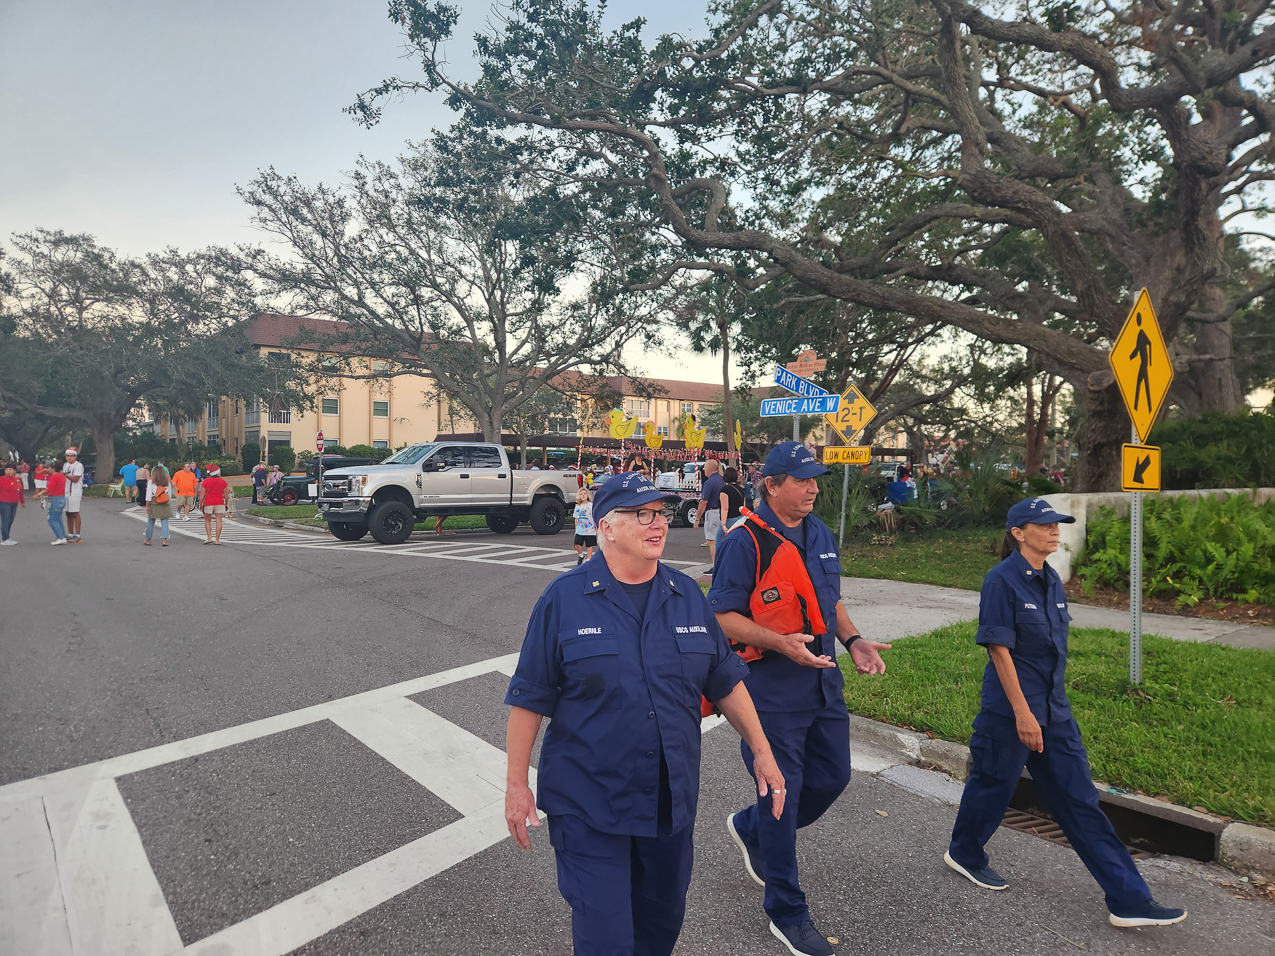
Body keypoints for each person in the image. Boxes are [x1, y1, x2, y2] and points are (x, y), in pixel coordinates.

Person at [504, 472, 786, 956]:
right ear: (606, 527)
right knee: (607, 940)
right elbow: (531, 697)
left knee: (660, 926)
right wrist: (515, 784)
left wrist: (762, 751)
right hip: (589, 804)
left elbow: (725, 681)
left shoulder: (687, 597)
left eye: (658, 513)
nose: (657, 524)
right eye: (641, 514)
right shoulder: (564, 600)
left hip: (668, 805)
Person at [945, 498, 1187, 929]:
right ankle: (964, 851)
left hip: (1054, 713)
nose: (1055, 531)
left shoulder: (1051, 579)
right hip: (1010, 713)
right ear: (1019, 532)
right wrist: (1022, 713)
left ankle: (1129, 899)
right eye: (1045, 525)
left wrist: (1047, 712)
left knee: (1080, 802)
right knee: (992, 788)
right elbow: (1000, 651)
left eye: (1058, 525)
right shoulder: (1001, 581)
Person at [708, 442, 891, 956]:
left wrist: (854, 641)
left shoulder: (819, 532)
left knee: (833, 778)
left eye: (816, 479)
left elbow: (828, 602)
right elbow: (722, 618)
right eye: (802, 480)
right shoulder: (745, 541)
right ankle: (786, 911)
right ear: (772, 484)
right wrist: (779, 642)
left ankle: (751, 826)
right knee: (782, 798)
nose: (813, 488)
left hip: (823, 683)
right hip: (768, 693)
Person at [695, 459, 725, 559]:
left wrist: (697, 518)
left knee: (712, 540)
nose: (704, 470)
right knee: (722, 540)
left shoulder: (709, 483)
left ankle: (715, 565)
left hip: (712, 512)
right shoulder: (724, 480)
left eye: (705, 467)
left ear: (710, 469)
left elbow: (703, 502)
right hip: (724, 511)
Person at [715, 465, 747, 555]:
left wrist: (723, 524)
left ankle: (719, 562)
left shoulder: (725, 490)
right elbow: (743, 505)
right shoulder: (741, 489)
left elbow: (725, 508)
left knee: (718, 543)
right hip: (740, 518)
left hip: (729, 519)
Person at [197, 464, 231, 544]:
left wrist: (200, 503)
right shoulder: (223, 482)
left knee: (207, 520)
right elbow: (226, 495)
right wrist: (226, 503)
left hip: (208, 502)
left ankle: (209, 537)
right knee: (218, 521)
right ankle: (217, 539)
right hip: (219, 502)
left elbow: (202, 494)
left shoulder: (206, 481)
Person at [40, 458, 68, 545]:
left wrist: (39, 493)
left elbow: (49, 488)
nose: (47, 470)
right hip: (61, 497)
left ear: (53, 468)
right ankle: (62, 535)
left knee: (52, 519)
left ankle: (60, 537)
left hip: (55, 498)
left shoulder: (54, 476)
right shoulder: (62, 476)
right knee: (58, 518)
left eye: (49, 468)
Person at [144, 465, 173, 546]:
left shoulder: (151, 482)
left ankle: (148, 539)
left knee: (150, 521)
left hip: (154, 502)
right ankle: (164, 540)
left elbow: (148, 495)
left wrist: (147, 506)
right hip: (164, 502)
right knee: (165, 521)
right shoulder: (167, 482)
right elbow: (169, 494)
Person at [0, 462, 26, 545]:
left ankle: (7, 536)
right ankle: (5, 538)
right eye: (6, 469)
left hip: (14, 502)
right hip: (4, 501)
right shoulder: (2, 479)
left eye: (10, 469)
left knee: (10, 520)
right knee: (5, 520)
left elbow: (20, 491)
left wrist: (22, 502)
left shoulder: (17, 479)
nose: (8, 471)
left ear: (14, 471)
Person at [62, 448, 85, 542]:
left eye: (71, 456)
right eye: (68, 456)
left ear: (75, 456)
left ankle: (78, 534)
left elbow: (76, 479)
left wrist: (65, 475)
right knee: (68, 513)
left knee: (75, 513)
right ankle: (70, 533)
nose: (69, 458)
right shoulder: (66, 465)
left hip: (75, 492)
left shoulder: (78, 466)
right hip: (66, 492)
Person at [572, 487, 597, 565]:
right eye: (581, 494)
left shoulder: (591, 506)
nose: (583, 495)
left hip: (590, 529)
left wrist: (596, 528)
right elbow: (576, 518)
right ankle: (581, 555)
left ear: (588, 495)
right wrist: (576, 529)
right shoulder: (578, 506)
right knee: (577, 543)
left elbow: (595, 516)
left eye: (584, 494)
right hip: (580, 529)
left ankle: (589, 560)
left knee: (589, 545)